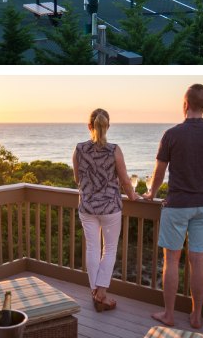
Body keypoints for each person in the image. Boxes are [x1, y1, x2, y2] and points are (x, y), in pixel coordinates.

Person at [144, 83, 203, 330]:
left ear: (185, 105)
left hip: (178, 205)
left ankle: (169, 315)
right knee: (198, 260)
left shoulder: (172, 134)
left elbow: (159, 174)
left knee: (171, 260)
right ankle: (196, 316)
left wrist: (151, 192)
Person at [72, 108, 139, 313]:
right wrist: (134, 196)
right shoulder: (114, 150)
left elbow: (77, 179)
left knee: (92, 248)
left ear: (89, 126)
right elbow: (126, 181)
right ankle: (100, 294)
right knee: (108, 250)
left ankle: (95, 292)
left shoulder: (79, 149)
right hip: (110, 207)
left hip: (88, 206)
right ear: (107, 126)